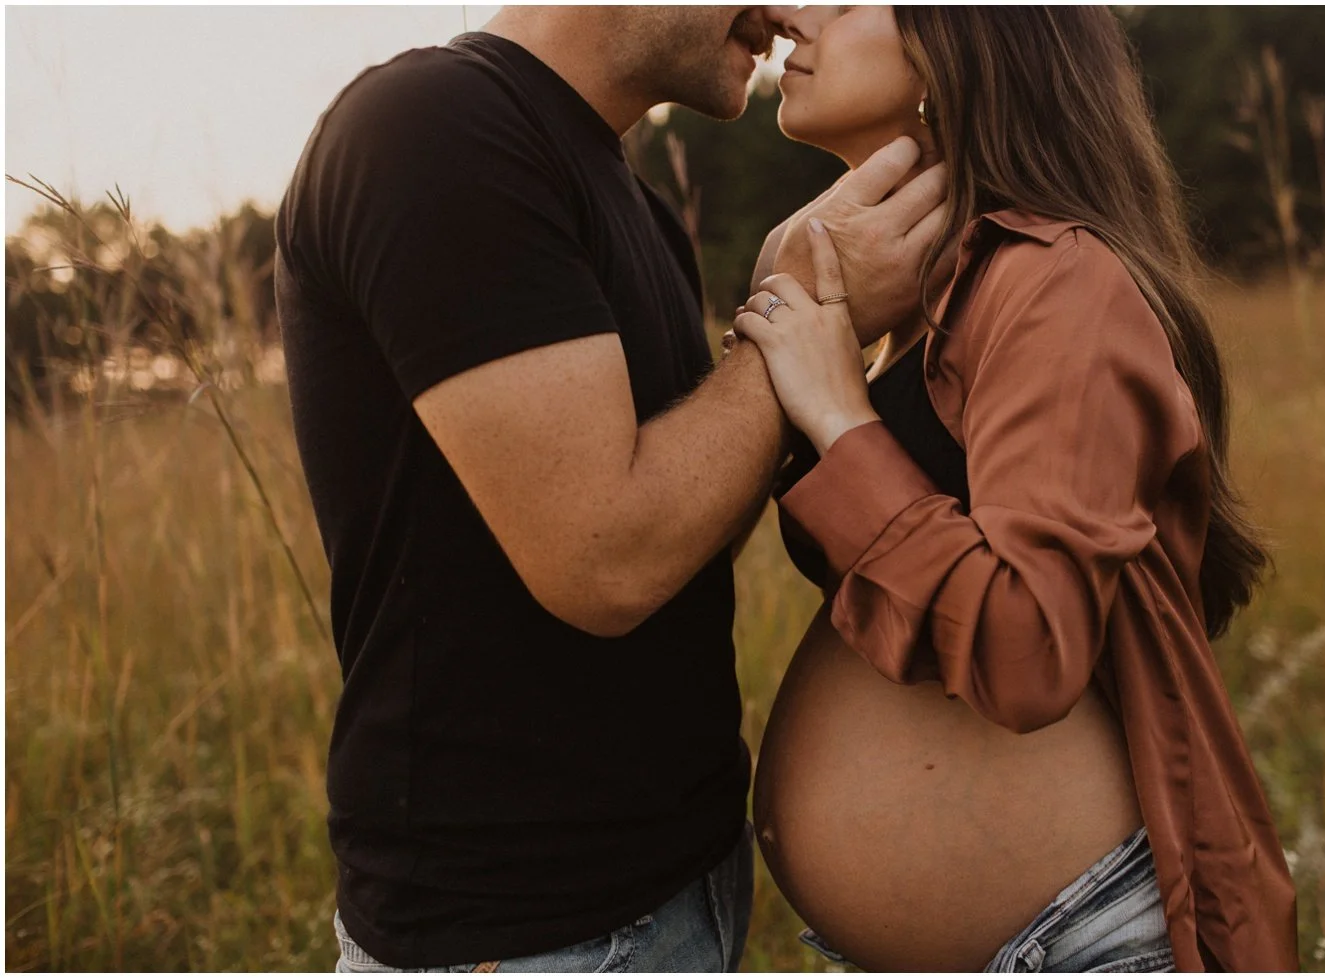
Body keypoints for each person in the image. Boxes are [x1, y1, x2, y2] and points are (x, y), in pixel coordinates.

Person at [272, 5, 951, 972]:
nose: (782, 10)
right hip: (527, 935)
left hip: (668, 903)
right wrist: (810, 319)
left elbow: (684, 534)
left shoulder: (634, 208)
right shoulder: (435, 126)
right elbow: (609, 560)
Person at [734, 6, 1299, 972]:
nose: (789, 12)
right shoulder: (924, 300)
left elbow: (1028, 645)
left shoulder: (1058, 280)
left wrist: (839, 420)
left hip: (1081, 944)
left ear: (958, 42)